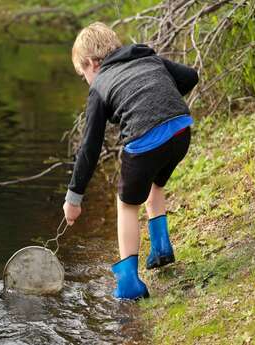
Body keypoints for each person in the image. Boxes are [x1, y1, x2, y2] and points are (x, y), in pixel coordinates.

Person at [62, 22, 198, 300]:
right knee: (154, 185)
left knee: (126, 205)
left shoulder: (100, 84)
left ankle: (128, 285)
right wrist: (160, 98)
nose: (85, 79)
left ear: (91, 63)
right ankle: (160, 247)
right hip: (181, 131)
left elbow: (90, 147)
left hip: (147, 141)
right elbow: (190, 76)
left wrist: (73, 199)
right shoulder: (147, 57)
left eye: (82, 74)